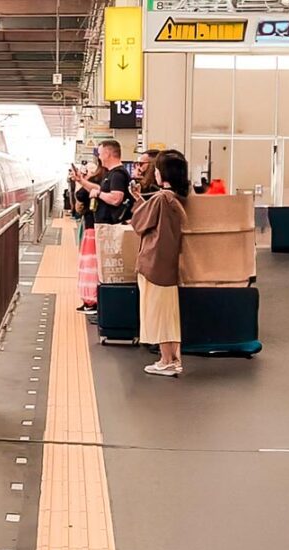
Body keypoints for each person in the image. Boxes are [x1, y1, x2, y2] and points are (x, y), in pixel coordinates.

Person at [131, 150, 190, 377]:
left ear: (161, 174)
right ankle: (174, 358)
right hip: (171, 263)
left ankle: (165, 359)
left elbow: (139, 222)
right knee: (169, 313)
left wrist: (137, 201)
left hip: (154, 263)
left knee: (156, 313)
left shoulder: (160, 198)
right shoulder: (178, 198)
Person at [70, 141, 131, 313]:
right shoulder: (111, 174)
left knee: (101, 266)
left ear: (109, 154)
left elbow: (116, 198)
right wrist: (82, 180)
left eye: (101, 153)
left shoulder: (118, 174)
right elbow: (97, 188)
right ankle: (96, 301)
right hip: (104, 227)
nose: (99, 156)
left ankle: (98, 302)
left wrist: (99, 194)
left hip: (110, 227)